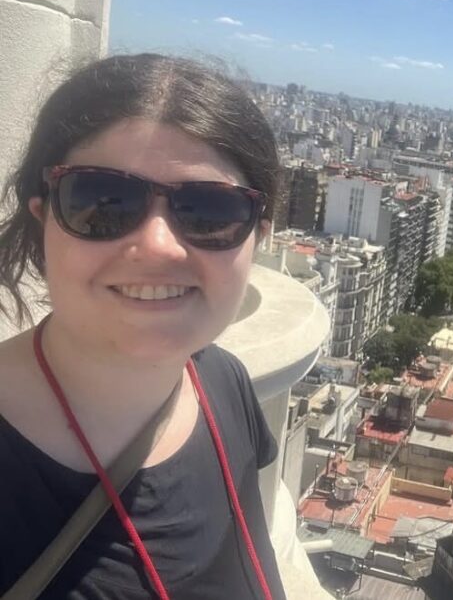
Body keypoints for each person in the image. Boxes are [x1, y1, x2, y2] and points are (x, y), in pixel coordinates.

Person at [0, 54, 287, 598]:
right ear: (43, 219)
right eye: (101, 202)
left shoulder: (225, 384)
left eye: (208, 212)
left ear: (258, 238)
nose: (157, 245)